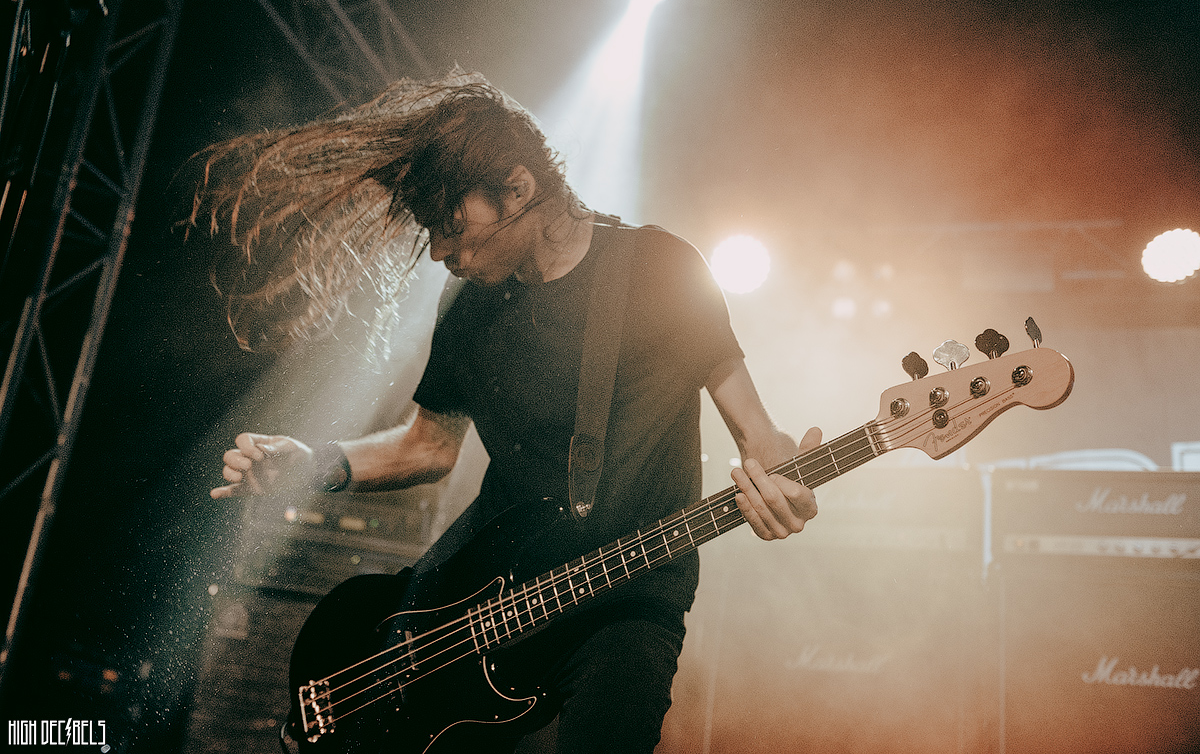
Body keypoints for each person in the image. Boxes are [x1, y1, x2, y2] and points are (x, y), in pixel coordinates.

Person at [202, 72, 820, 753]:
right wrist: (310, 464)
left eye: (451, 225)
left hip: (626, 599)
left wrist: (788, 484)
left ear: (518, 190)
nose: (441, 250)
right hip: (479, 596)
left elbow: (758, 433)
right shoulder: (468, 306)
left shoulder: (661, 268)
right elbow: (427, 446)